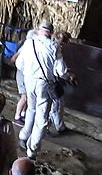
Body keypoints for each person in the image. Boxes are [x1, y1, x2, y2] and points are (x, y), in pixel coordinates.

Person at [16, 22, 65, 159]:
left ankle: (24, 136)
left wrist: (29, 71)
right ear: (50, 32)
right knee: (42, 116)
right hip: (44, 83)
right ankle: (32, 150)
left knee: (31, 108)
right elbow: (61, 70)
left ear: (39, 30)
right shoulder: (54, 46)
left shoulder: (29, 43)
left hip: (28, 80)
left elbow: (19, 63)